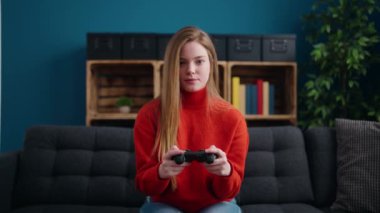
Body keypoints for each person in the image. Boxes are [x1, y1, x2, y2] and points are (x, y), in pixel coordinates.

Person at [134, 26, 249, 213]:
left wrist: (225, 172)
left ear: (211, 63)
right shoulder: (149, 114)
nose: (191, 70)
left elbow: (232, 190)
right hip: (164, 204)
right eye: (181, 63)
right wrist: (161, 173)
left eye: (199, 62)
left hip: (218, 204)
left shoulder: (233, 118)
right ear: (172, 66)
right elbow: (143, 184)